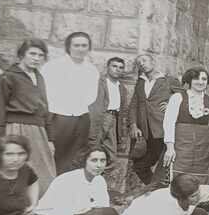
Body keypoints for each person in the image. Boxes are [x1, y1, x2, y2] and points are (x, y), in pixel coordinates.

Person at [0, 38, 56, 195]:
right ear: (21, 55)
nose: (36, 58)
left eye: (40, 55)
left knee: (45, 170)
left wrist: (50, 138)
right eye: (32, 54)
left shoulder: (39, 78)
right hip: (17, 128)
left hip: (39, 132)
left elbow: (45, 109)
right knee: (17, 167)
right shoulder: (7, 77)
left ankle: (41, 206)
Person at [40, 31, 100, 173]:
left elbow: (91, 96)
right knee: (54, 156)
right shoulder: (53, 67)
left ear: (88, 48)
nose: (80, 49)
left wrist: (78, 106)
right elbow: (45, 94)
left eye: (84, 45)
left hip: (81, 118)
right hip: (57, 117)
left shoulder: (91, 70)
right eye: (76, 45)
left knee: (76, 158)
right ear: (68, 47)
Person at [128, 54, 182, 189]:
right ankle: (156, 189)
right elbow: (134, 104)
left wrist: (171, 102)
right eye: (139, 62)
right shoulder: (140, 82)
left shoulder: (168, 80)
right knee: (139, 166)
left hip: (163, 131)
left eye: (144, 61)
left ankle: (167, 192)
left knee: (167, 166)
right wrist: (134, 125)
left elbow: (184, 98)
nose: (142, 64)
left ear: (153, 62)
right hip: (147, 133)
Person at [90, 56, 133, 198]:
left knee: (112, 158)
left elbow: (124, 111)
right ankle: (87, 189)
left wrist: (122, 132)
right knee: (90, 153)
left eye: (121, 68)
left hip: (113, 119)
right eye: (114, 66)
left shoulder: (122, 88)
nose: (117, 70)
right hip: (99, 118)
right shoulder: (98, 82)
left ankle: (99, 186)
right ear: (107, 67)